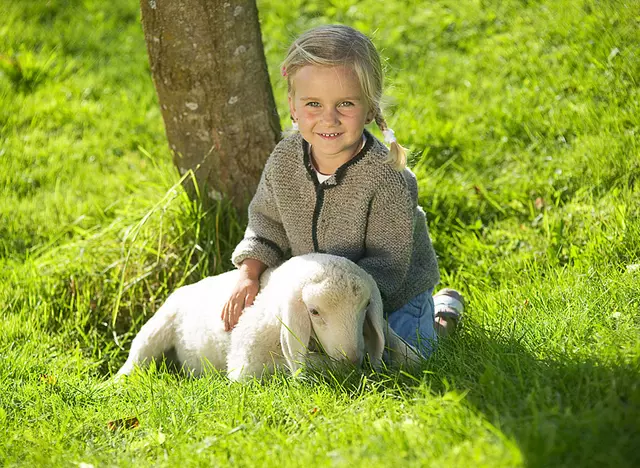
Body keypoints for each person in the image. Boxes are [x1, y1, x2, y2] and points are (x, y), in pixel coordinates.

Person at [220, 24, 464, 357]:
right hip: (327, 298)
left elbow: (389, 265)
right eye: (313, 104)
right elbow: (266, 225)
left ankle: (441, 316)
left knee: (406, 360)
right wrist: (248, 274)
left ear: (370, 108)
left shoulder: (387, 178)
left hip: (390, 295)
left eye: (345, 103)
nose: (329, 119)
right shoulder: (285, 161)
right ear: (292, 106)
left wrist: (341, 308)